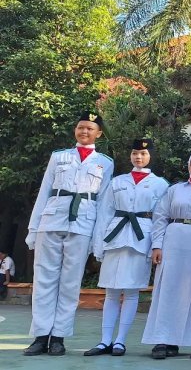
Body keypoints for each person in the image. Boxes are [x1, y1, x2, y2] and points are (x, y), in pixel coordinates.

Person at [24, 112, 115, 356]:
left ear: (99, 133)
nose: (84, 132)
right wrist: (33, 228)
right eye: (80, 127)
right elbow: (44, 192)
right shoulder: (59, 156)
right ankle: (41, 336)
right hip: (51, 220)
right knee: (44, 279)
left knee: (70, 283)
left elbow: (104, 204)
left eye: (89, 128)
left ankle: (59, 338)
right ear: (75, 130)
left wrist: (98, 240)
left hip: (83, 224)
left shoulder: (105, 162)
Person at [86, 138, 169, 357]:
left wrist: (157, 246)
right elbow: (105, 213)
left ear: (151, 156)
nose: (138, 157)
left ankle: (120, 341)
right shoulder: (117, 181)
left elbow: (161, 219)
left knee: (131, 292)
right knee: (111, 292)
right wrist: (99, 244)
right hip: (115, 237)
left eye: (143, 154)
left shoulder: (161, 184)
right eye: (134, 153)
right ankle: (105, 341)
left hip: (141, 239)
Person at [142, 151, 191, 359]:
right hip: (173, 241)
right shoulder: (174, 190)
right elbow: (160, 217)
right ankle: (160, 340)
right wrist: (157, 245)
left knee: (190, 293)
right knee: (166, 290)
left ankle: (176, 341)